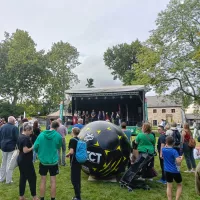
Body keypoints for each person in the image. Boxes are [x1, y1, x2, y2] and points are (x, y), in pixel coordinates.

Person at [34, 120, 62, 200]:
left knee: (43, 180)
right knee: (53, 181)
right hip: (53, 162)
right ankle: (53, 198)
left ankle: (42, 198)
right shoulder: (58, 136)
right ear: (57, 128)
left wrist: (39, 152)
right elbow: (58, 146)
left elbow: (35, 147)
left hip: (43, 161)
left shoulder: (41, 134)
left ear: (50, 125)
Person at [17, 122, 39, 200]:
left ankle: (21, 196)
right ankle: (34, 196)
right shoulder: (26, 138)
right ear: (26, 130)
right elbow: (25, 150)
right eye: (30, 131)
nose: (31, 133)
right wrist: (32, 147)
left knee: (23, 177)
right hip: (26, 161)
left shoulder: (20, 136)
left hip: (21, 159)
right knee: (32, 178)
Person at [162, 136, 183, 200]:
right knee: (179, 185)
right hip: (175, 170)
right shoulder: (174, 151)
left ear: (166, 142)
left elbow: (166, 146)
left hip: (166, 170)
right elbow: (178, 161)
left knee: (169, 186)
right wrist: (181, 158)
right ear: (173, 143)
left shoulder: (163, 149)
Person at [0, 116, 19, 184]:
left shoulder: (2, 127)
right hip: (11, 148)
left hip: (3, 147)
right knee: (9, 164)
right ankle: (8, 180)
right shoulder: (15, 128)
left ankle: (1, 178)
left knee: (3, 163)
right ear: (13, 121)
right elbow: (17, 139)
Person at [66, 127, 82, 200]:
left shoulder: (72, 140)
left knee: (74, 179)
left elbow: (71, 151)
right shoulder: (79, 139)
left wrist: (67, 154)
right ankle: (79, 192)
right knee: (78, 178)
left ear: (73, 132)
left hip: (74, 161)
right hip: (79, 160)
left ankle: (78, 196)